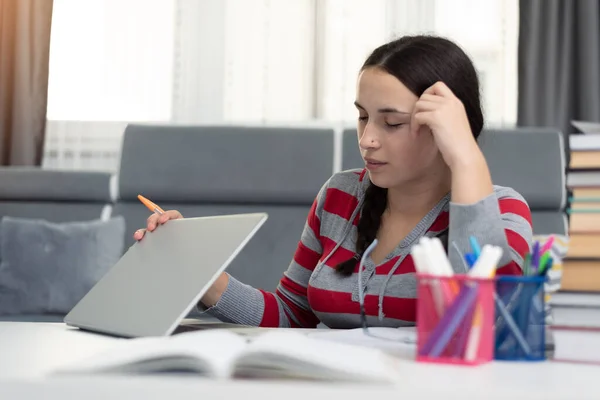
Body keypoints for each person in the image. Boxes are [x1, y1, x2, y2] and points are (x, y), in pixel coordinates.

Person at [133, 35, 532, 329]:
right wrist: (199, 270)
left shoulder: (503, 210)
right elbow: (291, 315)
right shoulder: (341, 195)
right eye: (362, 117)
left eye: (391, 122)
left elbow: (489, 323)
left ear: (447, 126)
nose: (367, 139)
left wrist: (465, 157)